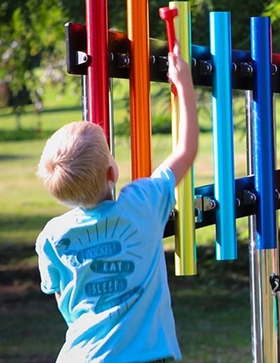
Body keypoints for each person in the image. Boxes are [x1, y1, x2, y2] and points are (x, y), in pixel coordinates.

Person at [35, 42, 199, 363]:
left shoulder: (52, 237)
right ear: (113, 171)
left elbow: (61, 297)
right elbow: (186, 150)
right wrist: (184, 85)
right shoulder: (142, 203)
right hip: (147, 355)